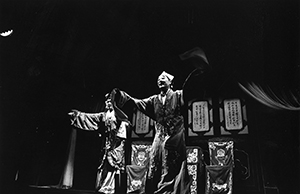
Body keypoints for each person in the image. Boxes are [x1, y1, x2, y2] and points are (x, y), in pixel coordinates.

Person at [110, 71, 192, 194]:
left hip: (174, 136)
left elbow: (189, 89)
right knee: (154, 162)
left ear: (170, 82)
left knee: (171, 165)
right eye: (158, 78)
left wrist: (194, 75)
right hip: (159, 135)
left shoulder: (178, 95)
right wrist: (123, 96)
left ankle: (169, 191)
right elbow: (138, 102)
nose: (160, 80)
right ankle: (157, 190)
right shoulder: (154, 100)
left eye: (163, 78)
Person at [68, 94, 130, 194]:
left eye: (110, 101)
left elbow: (124, 127)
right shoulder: (104, 115)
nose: (108, 103)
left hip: (116, 145)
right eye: (107, 101)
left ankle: (112, 188)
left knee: (113, 166)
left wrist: (116, 142)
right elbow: (91, 117)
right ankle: (103, 186)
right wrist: (77, 115)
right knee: (104, 165)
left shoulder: (119, 116)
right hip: (106, 144)